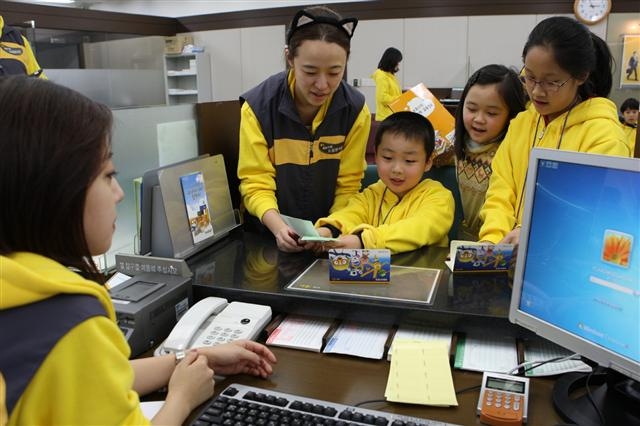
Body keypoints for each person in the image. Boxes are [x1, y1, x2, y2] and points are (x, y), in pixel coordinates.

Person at [0, 76, 277, 425]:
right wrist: (181, 398)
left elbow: (92, 378)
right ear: (56, 189)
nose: (118, 194)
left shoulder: (18, 292)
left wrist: (188, 360)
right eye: (107, 175)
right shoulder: (68, 318)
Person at [478, 16, 629, 245]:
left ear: (581, 76)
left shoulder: (604, 136)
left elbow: (589, 214)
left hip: (558, 258)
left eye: (552, 82)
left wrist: (530, 236)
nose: (537, 92)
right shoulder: (521, 124)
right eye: (530, 77)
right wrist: (492, 242)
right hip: (507, 252)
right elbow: (500, 191)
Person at [237, 6, 371, 253]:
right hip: (264, 239)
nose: (322, 85)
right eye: (310, 71)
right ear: (289, 58)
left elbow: (348, 186)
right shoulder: (258, 108)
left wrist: (327, 230)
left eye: (335, 72)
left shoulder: (355, 111)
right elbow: (255, 183)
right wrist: (279, 228)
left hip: (325, 238)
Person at [313, 111, 454, 254]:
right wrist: (328, 230)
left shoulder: (439, 197)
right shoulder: (372, 194)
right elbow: (350, 214)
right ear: (376, 155)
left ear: (428, 162)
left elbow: (419, 228)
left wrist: (363, 241)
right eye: (387, 157)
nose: (397, 169)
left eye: (409, 161)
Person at [453, 64, 527, 241]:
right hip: (462, 240)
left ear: (511, 115)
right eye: (471, 109)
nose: (479, 119)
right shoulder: (455, 148)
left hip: (497, 241)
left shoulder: (508, 156)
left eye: (492, 113)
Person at [371, 47, 403, 122]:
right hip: (386, 118)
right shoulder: (381, 75)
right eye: (397, 62)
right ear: (392, 61)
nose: (398, 64)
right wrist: (400, 99)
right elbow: (382, 98)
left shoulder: (391, 76)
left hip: (394, 116)